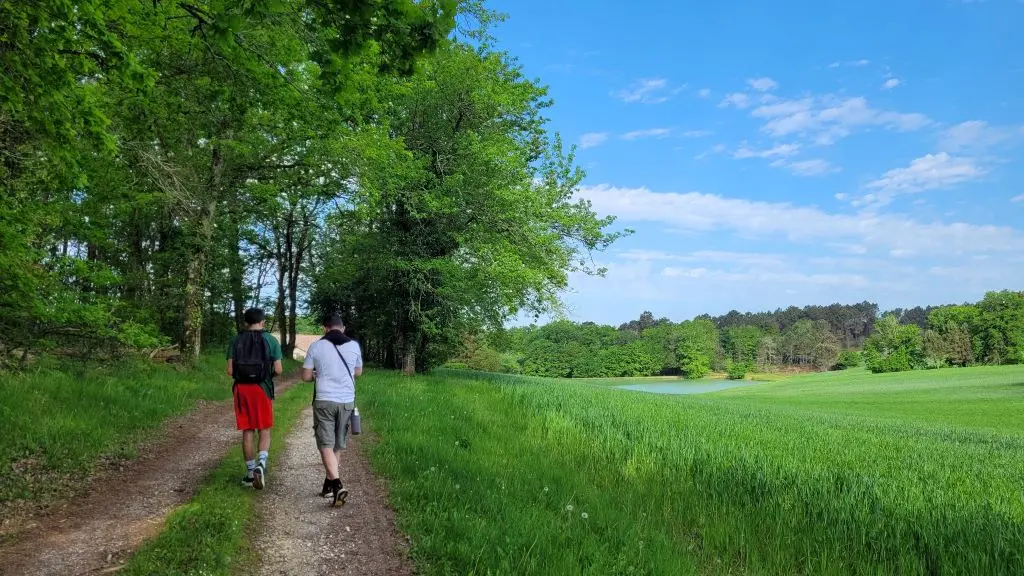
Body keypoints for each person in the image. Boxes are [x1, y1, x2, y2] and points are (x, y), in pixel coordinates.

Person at [301, 313, 363, 506]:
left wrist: (317, 374)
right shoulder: (354, 345)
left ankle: (336, 484)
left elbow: (305, 376)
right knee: (337, 443)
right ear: (342, 328)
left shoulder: (316, 346)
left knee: (325, 443)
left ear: (325, 328)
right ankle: (328, 485)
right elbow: (358, 372)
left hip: (324, 400)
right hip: (346, 401)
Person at [227, 308, 283, 490]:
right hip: (262, 388)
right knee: (264, 428)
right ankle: (262, 464)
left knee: (248, 430)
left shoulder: (236, 340)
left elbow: (230, 370)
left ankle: (251, 473)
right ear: (263, 322)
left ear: (245, 322)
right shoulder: (270, 340)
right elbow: (279, 369)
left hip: (242, 390)